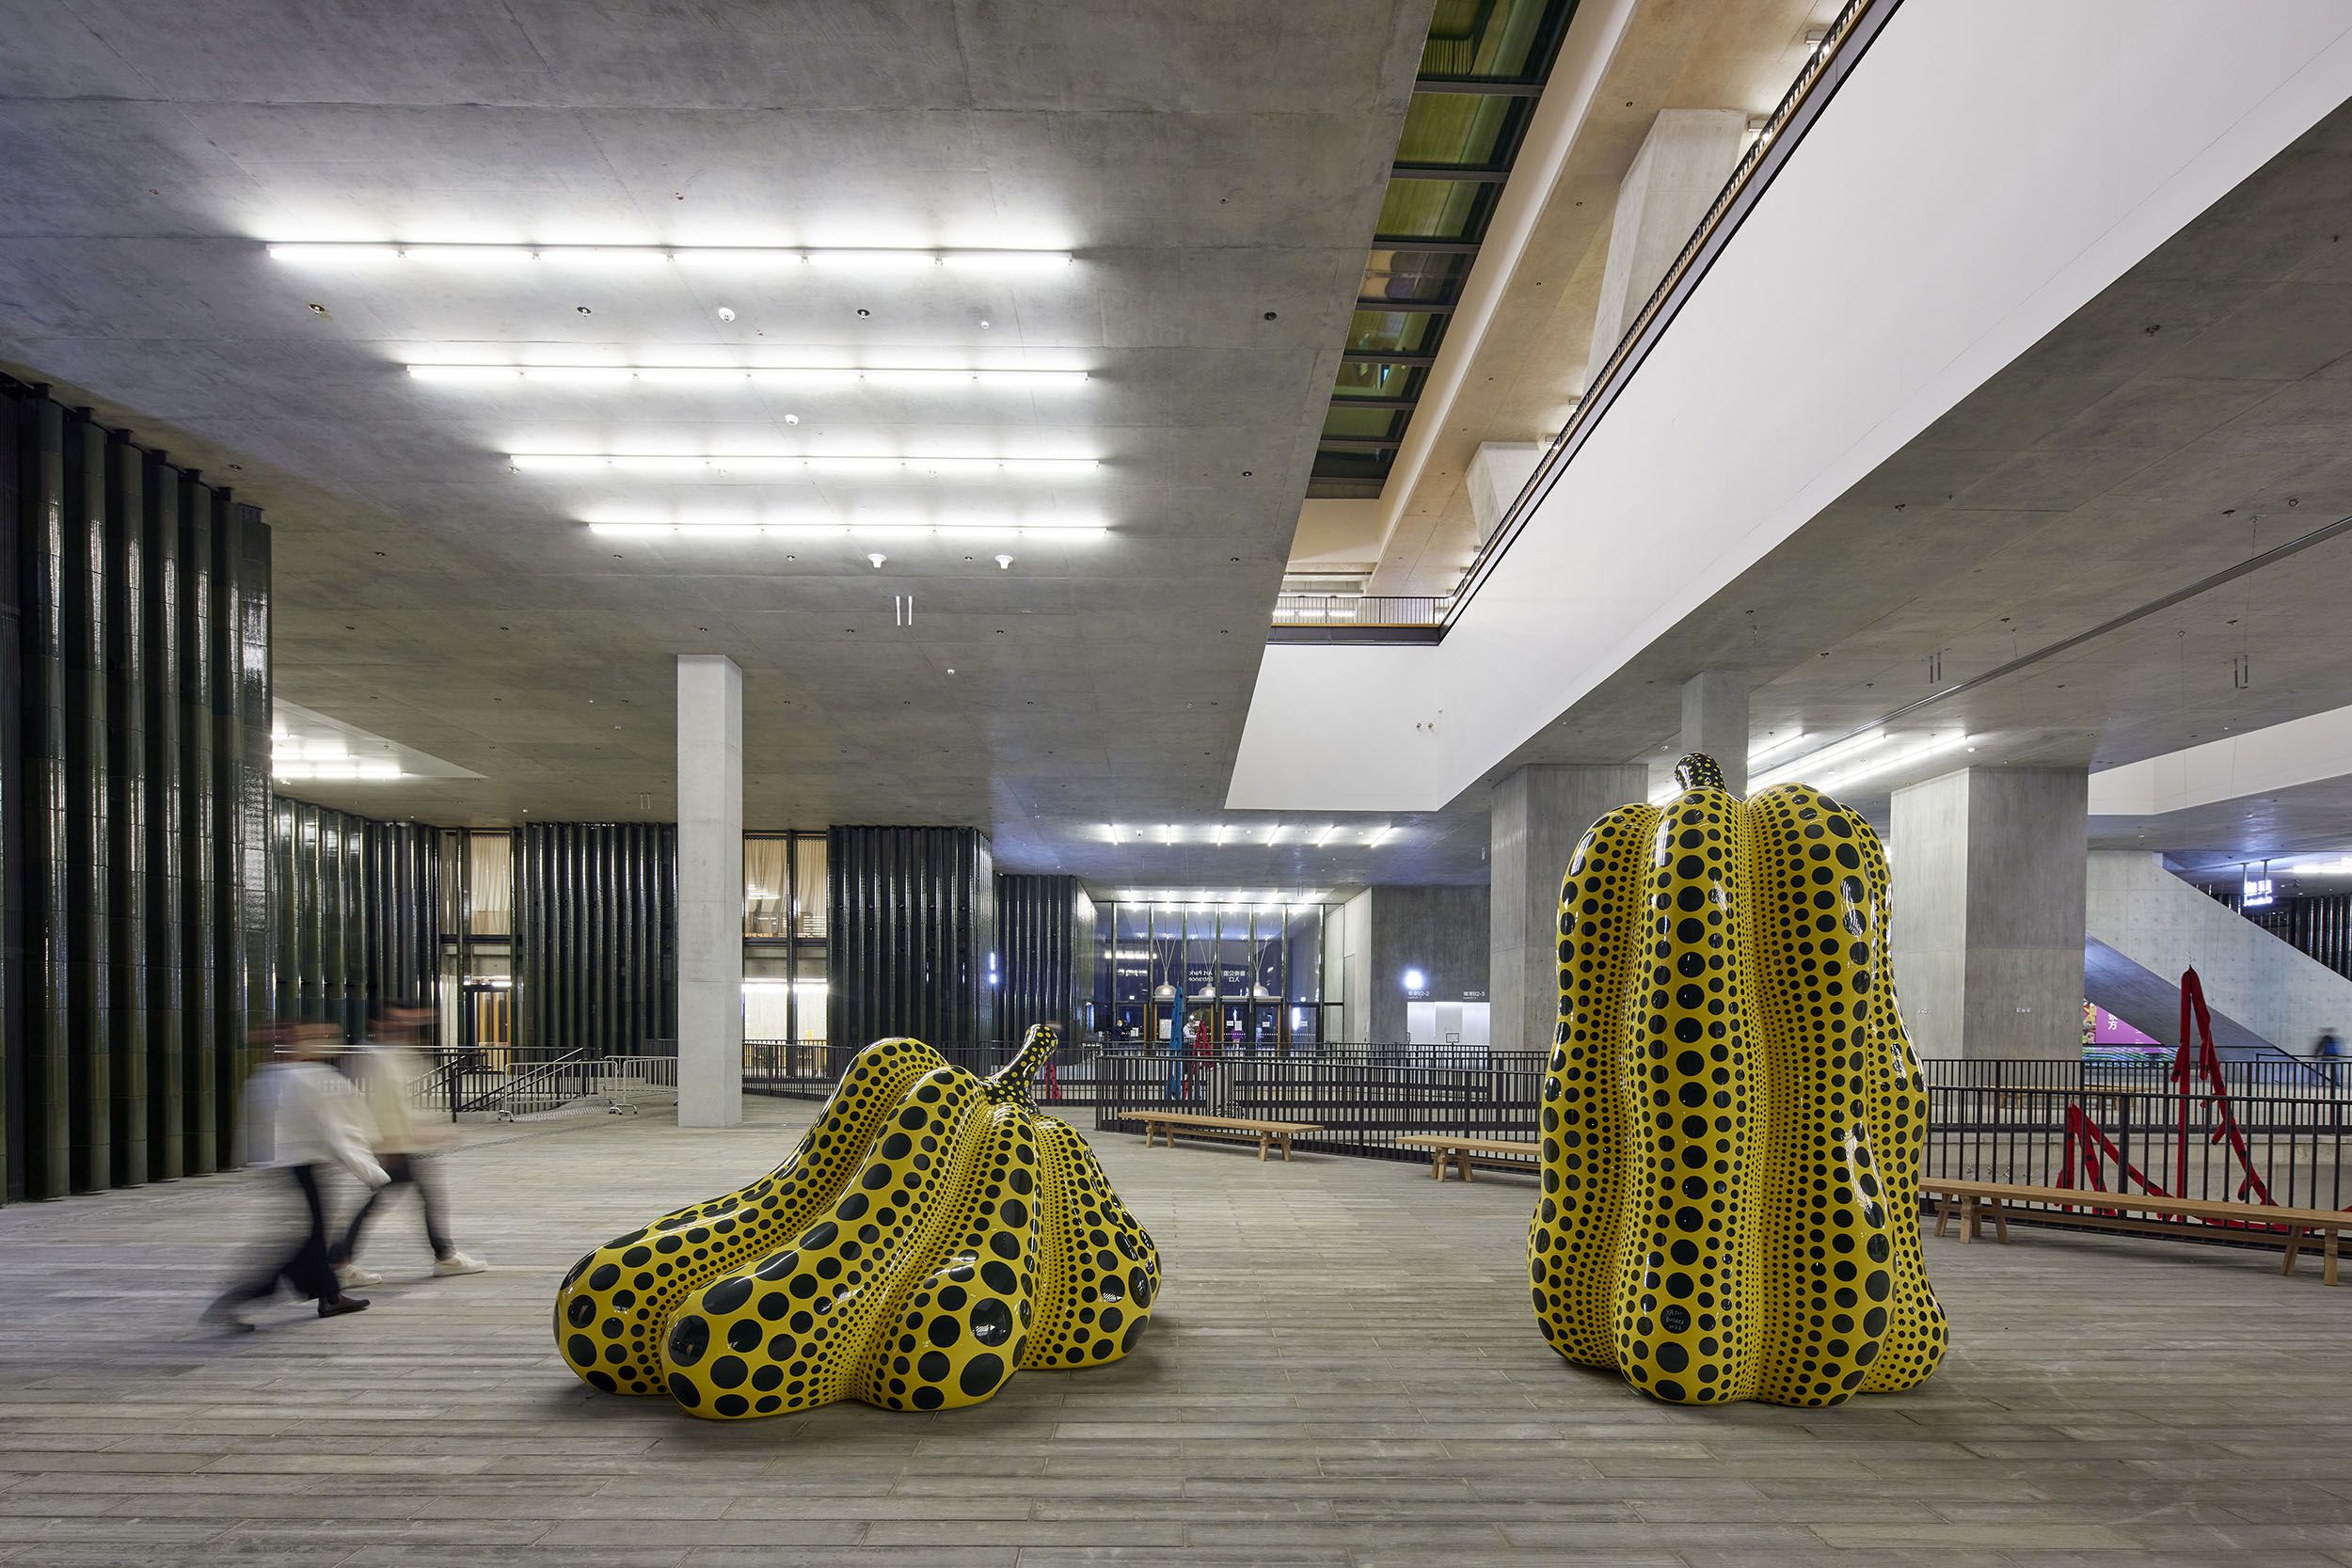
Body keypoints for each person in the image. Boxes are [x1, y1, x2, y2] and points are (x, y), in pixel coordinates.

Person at [205, 1022, 387, 1326]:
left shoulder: (266, 1076)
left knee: (312, 1237)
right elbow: (335, 1130)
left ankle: (329, 1296)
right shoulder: (309, 1079)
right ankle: (242, 1298)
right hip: (304, 1166)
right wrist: (369, 1169)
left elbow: (252, 1128)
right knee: (306, 1240)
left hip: (283, 1166)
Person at [331, 1005, 487, 1286]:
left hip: (402, 1143)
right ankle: (341, 1260)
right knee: (398, 1201)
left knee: (416, 1199)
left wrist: (426, 1130)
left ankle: (443, 1255)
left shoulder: (392, 1053)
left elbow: (402, 1102)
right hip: (396, 1146)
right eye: (395, 1019)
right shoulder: (375, 1057)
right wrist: (389, 1143)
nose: (404, 1025)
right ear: (377, 1023)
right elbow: (383, 1105)